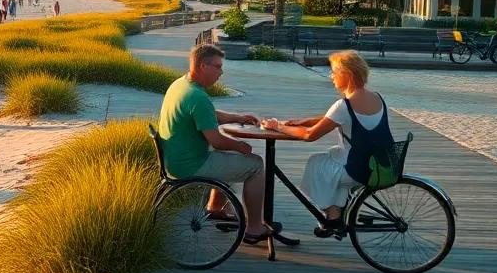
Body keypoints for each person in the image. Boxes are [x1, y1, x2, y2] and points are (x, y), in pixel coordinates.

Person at [260, 50, 394, 237]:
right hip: (380, 165)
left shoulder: (344, 104)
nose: (331, 76)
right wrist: (303, 121)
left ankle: (332, 217)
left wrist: (277, 126)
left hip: (358, 168)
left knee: (317, 164)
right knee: (329, 165)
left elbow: (309, 136)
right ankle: (336, 213)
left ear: (346, 75)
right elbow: (332, 119)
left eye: (334, 72)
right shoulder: (377, 98)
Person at [158, 44, 272, 243]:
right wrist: (241, 146)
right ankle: (254, 228)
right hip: (191, 165)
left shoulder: (181, 85)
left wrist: (235, 118)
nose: (221, 72)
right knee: (256, 165)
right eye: (218, 67)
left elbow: (206, 116)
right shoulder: (197, 97)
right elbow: (217, 141)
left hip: (175, 159)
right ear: (203, 66)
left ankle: (215, 209)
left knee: (232, 160)